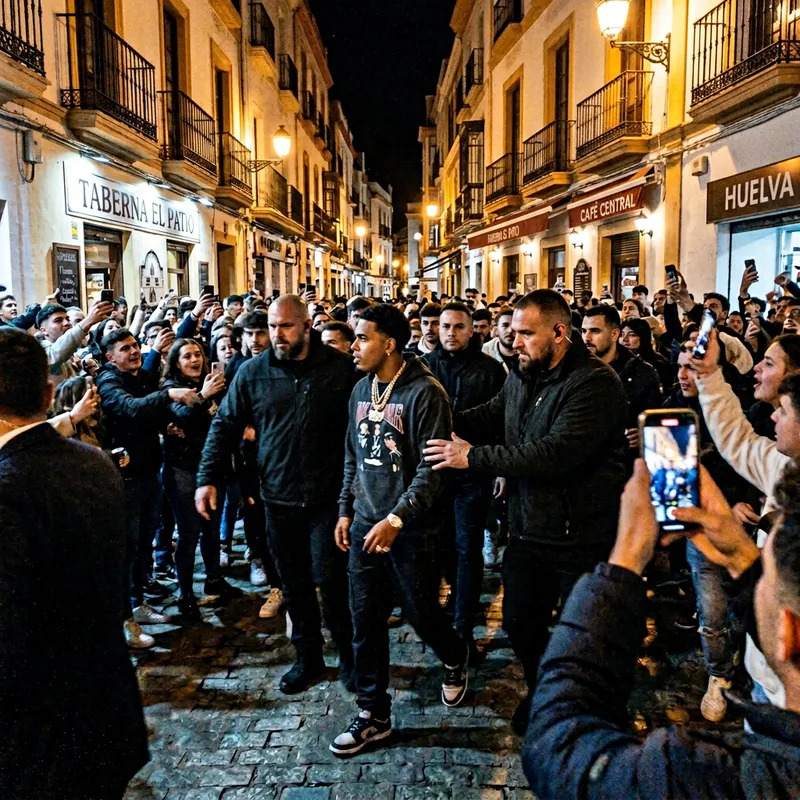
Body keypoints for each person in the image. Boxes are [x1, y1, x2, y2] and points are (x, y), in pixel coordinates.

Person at [523, 458, 800, 798]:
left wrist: (626, 558)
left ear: (790, 633)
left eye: (766, 576)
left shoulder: (705, 783)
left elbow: (555, 746)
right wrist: (741, 557)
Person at [424, 290, 628, 733]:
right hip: (528, 529)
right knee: (519, 622)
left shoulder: (594, 382)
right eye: (512, 332)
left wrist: (472, 458)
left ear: (559, 333)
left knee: (583, 635)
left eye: (524, 334)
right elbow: (491, 414)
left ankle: (582, 712)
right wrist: (432, 418)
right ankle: (543, 692)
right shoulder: (522, 374)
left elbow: (553, 454)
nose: (514, 343)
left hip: (581, 535)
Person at [0, 327, 149, 797]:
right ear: (48, 393)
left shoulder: (7, 488)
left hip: (38, 736)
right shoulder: (93, 463)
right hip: (105, 706)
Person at [198, 295, 356, 694]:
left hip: (328, 497)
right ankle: (308, 657)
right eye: (272, 327)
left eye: (286, 326)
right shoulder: (253, 373)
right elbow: (226, 425)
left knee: (332, 582)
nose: (277, 335)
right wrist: (208, 477)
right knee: (294, 583)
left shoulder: (339, 370)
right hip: (278, 496)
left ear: (306, 327)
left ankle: (353, 658)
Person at [330, 304, 468, 758]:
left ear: (389, 344)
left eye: (362, 338)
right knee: (365, 621)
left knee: (421, 614)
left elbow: (432, 471)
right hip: (368, 524)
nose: (354, 347)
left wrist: (397, 518)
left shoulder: (425, 393)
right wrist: (346, 509)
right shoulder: (358, 391)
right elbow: (352, 456)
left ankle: (453, 654)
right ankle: (374, 714)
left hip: (412, 530)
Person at [97, 326, 197, 648]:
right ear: (110, 357)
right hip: (124, 479)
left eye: (135, 345)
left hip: (149, 472)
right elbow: (129, 409)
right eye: (125, 348)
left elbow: (147, 416)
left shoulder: (142, 377)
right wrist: (168, 395)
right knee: (126, 548)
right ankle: (124, 620)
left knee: (142, 545)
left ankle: (138, 602)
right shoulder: (108, 381)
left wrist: (166, 425)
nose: (134, 351)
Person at [423, 303, 506, 651]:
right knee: (440, 546)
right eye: (446, 326)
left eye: (459, 327)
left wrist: (499, 466)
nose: (451, 333)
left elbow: (503, 420)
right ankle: (453, 601)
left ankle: (464, 624)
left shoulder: (491, 370)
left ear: (472, 331)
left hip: (474, 470)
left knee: (467, 547)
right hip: (431, 472)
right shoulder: (423, 367)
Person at [161, 339, 240, 620]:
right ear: (176, 363)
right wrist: (204, 397)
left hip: (211, 468)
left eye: (197, 354)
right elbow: (182, 419)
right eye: (186, 356)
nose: (194, 360)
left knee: (210, 528)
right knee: (188, 532)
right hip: (183, 470)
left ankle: (213, 579)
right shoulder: (171, 389)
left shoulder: (212, 384)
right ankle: (185, 595)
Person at [581, 305, 662, 461]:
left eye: (595, 331)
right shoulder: (575, 370)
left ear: (614, 334)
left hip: (624, 461)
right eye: (584, 331)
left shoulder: (641, 373)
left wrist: (645, 433)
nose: (587, 338)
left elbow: (656, 418)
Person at [38, 300, 115, 384]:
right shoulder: (41, 352)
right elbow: (56, 353)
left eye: (67, 319)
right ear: (44, 330)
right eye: (58, 320)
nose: (67, 323)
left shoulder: (72, 355)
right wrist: (88, 321)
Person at [620, 316, 673, 393]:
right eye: (621, 335)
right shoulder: (616, 361)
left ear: (643, 337)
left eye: (632, 335)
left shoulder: (658, 363)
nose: (624, 339)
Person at [482, 306, 517, 373]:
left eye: (514, 326)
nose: (510, 330)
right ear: (496, 329)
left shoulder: (528, 351)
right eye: (505, 325)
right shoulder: (485, 351)